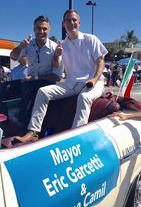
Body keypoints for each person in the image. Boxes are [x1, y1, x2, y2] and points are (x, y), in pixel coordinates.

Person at [16, 9, 108, 143]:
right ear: (63, 24)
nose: (71, 23)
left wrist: (94, 79)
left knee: (84, 97)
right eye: (68, 20)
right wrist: (57, 55)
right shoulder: (61, 45)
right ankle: (33, 132)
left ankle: (76, 138)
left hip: (93, 82)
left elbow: (101, 61)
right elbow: (55, 65)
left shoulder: (90, 39)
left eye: (74, 20)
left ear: (79, 23)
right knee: (42, 92)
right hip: (72, 84)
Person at [9, 15, 64, 132]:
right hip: (31, 81)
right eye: (38, 28)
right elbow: (13, 57)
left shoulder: (56, 48)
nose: (41, 31)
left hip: (47, 82)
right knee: (6, 88)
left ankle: (26, 130)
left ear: (49, 30)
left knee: (32, 90)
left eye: (44, 29)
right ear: (34, 30)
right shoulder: (28, 45)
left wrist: (34, 78)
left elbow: (57, 77)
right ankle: (5, 124)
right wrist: (20, 47)